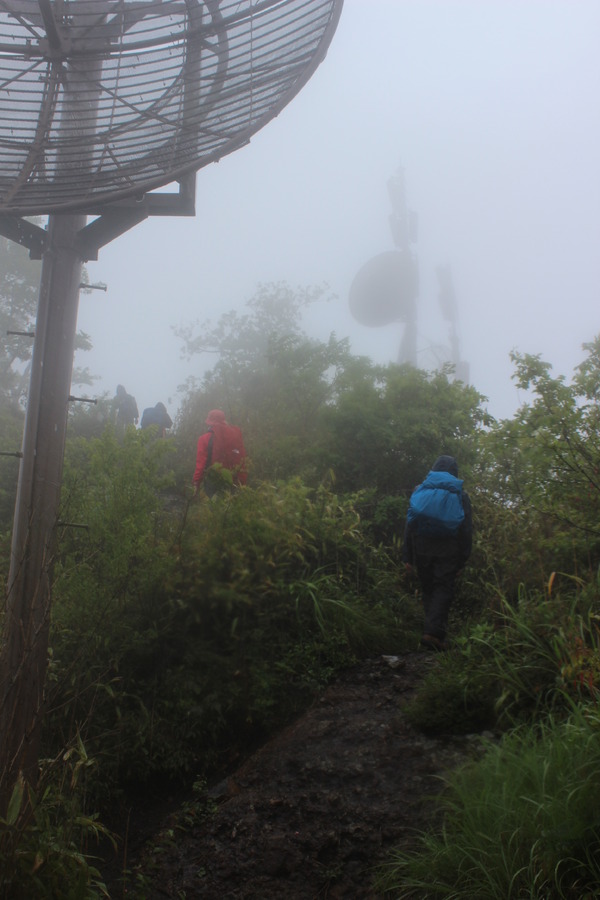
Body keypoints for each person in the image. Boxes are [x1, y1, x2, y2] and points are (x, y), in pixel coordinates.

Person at [403, 455, 472, 652]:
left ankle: (433, 633)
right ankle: (433, 634)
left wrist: (408, 555)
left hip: (421, 546)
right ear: (454, 473)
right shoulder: (461, 495)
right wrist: (462, 561)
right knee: (443, 588)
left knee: (428, 588)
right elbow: (466, 530)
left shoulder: (420, 490)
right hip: (448, 549)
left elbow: (410, 524)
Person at [193, 409, 247, 497]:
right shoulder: (234, 436)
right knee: (231, 506)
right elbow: (241, 457)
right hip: (233, 479)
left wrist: (196, 483)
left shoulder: (204, 439)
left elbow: (201, 465)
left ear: (209, 423)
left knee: (214, 507)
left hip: (213, 480)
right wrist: (242, 481)